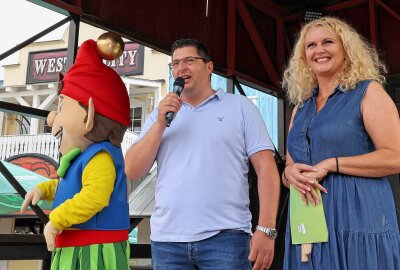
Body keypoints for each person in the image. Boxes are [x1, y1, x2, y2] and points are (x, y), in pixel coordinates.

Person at [124, 38, 280, 269]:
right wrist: (159, 123)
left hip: (226, 237)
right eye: (175, 63)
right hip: (168, 240)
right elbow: (133, 169)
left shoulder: (240, 107)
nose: (181, 67)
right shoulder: (161, 115)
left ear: (209, 67)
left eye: (189, 60)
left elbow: (266, 168)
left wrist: (266, 229)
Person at [281, 16, 400, 269]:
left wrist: (332, 164)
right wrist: (290, 172)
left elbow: (395, 157)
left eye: (328, 42)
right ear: (304, 55)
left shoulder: (368, 92)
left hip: (359, 214)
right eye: (311, 45)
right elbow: (290, 166)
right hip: (307, 219)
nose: (319, 50)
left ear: (346, 49)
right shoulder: (300, 108)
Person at [21, 36, 131, 269]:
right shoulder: (81, 157)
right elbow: (69, 185)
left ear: (89, 116)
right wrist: (43, 189)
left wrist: (56, 219)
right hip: (74, 247)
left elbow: (94, 197)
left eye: (60, 107)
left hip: (93, 252)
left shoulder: (100, 157)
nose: (52, 118)